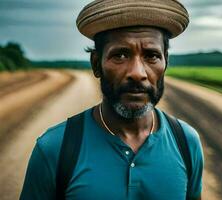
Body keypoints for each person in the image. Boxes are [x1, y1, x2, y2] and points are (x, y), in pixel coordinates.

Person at [20, 0, 204, 199]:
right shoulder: (54, 148)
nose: (137, 73)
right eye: (120, 55)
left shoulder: (186, 141)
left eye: (151, 56)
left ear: (165, 62)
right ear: (96, 64)